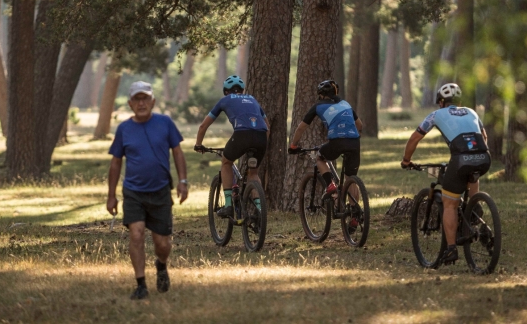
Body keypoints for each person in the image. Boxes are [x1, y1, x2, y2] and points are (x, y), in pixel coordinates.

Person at [107, 81, 189, 299]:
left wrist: (183, 181)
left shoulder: (165, 123)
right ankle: (141, 284)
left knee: (162, 243)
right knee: (136, 234)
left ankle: (161, 265)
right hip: (133, 192)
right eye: (137, 99)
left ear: (153, 101)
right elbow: (115, 163)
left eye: (145, 99)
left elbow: (178, 153)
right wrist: (111, 196)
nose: (141, 103)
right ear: (130, 103)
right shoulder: (124, 129)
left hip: (161, 190)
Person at [400, 82, 491, 265]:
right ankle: (474, 208)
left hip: (460, 159)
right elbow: (484, 135)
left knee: (449, 203)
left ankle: (450, 249)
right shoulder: (471, 112)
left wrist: (406, 160)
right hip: (484, 157)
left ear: (441, 102)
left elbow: (415, 137)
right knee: (471, 174)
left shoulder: (436, 114)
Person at [194, 75, 270, 218]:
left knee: (226, 162)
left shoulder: (225, 100)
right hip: (261, 137)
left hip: (242, 135)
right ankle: (260, 211)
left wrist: (198, 144)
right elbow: (268, 127)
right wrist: (261, 144)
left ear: (226, 91)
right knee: (253, 173)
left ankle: (228, 205)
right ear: (242, 90)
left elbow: (203, 125)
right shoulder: (253, 99)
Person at [288, 80, 363, 216]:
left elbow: (301, 128)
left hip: (337, 141)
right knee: (350, 178)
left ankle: (330, 185)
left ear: (321, 95)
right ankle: (355, 215)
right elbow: (360, 125)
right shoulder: (345, 104)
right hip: (354, 141)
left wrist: (293, 145)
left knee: (320, 158)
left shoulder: (318, 106)